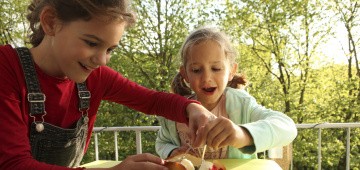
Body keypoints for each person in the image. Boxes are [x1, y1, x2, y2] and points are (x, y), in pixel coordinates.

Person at [0, 1, 216, 170]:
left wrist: (191, 108)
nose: (102, 60)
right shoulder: (6, 67)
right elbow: (13, 164)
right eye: (92, 43)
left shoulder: (96, 76)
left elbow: (152, 101)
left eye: (110, 49)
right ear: (50, 22)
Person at [155, 27, 297, 160]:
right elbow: (162, 142)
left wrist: (241, 134)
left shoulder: (242, 105)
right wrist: (172, 151)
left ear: (231, 71)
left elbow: (287, 127)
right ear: (185, 74)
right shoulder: (175, 114)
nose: (206, 78)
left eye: (216, 68)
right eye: (196, 70)